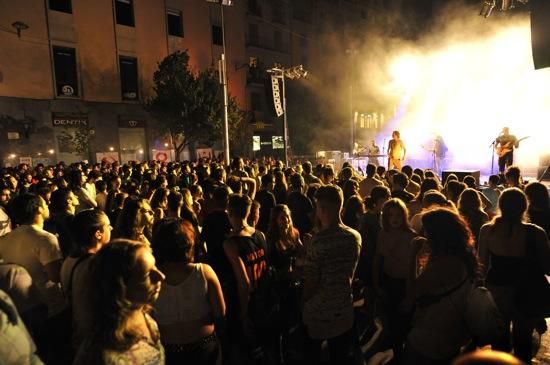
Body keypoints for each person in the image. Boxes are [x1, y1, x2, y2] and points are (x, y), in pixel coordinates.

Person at [478, 188, 550, 363]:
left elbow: (481, 265)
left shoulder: (487, 230)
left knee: (499, 342)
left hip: (497, 290)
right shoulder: (536, 232)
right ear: (525, 206)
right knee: (523, 342)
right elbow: (548, 267)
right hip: (526, 291)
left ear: (500, 205)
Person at [74, 239, 166, 364]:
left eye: (155, 266)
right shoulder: (102, 355)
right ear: (119, 288)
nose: (161, 276)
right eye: (147, 274)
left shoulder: (142, 313)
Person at [152, 218, 225, 365]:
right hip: (204, 349)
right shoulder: (204, 271)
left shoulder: (151, 278)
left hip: (168, 351)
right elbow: (221, 312)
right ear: (188, 244)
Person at [302, 185, 362, 365]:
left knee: (312, 356)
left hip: (319, 312)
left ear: (321, 209)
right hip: (344, 309)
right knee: (339, 357)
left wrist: (303, 303)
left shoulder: (318, 242)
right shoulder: (355, 237)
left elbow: (311, 282)